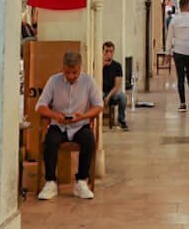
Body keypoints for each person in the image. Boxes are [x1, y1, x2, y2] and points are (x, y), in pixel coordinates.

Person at [36, 50, 103, 200]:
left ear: (80, 68)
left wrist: (83, 116)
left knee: (89, 141)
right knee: (50, 141)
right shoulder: (54, 81)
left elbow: (99, 105)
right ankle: (51, 181)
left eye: (75, 72)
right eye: (67, 72)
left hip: (80, 124)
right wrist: (55, 115)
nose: (71, 76)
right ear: (63, 68)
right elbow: (40, 106)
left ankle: (81, 181)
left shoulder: (88, 82)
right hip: (59, 124)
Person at [166, 0, 189, 111]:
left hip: (178, 50)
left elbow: (169, 37)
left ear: (179, 7)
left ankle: (182, 103)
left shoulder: (174, 20)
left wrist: (167, 51)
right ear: (188, 6)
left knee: (180, 77)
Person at [102, 40, 128, 130]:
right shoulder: (97, 64)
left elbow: (117, 86)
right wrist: (102, 65)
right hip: (100, 91)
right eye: (106, 51)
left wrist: (108, 96)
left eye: (111, 51)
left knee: (123, 98)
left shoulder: (117, 66)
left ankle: (121, 120)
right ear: (103, 52)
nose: (109, 54)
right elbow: (93, 81)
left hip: (112, 92)